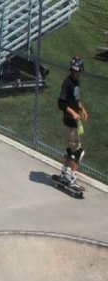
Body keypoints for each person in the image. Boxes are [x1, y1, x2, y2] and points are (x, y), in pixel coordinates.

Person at [57, 56, 88, 192]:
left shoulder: (76, 82)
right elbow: (61, 103)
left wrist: (82, 109)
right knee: (78, 152)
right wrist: (73, 113)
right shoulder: (68, 83)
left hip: (75, 124)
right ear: (71, 70)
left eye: (78, 71)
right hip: (70, 123)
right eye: (75, 71)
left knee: (70, 150)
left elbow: (76, 99)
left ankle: (64, 175)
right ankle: (72, 180)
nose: (77, 73)